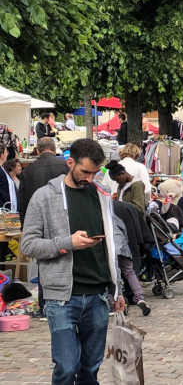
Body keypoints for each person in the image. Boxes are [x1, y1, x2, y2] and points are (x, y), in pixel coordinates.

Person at [21, 138, 125, 384]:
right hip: (61, 297)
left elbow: (113, 245)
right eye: (85, 171)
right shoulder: (44, 197)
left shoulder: (102, 195)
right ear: (70, 163)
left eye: (95, 173)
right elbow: (28, 245)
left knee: (90, 370)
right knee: (67, 368)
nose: (90, 178)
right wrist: (67, 243)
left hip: (98, 295)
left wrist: (117, 288)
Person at [18, 137, 69, 227]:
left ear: (38, 151)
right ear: (54, 149)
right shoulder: (65, 166)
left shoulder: (27, 171)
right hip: (62, 218)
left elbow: (22, 201)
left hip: (36, 219)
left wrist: (24, 225)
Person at [112, 201, 151, 316]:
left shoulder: (101, 217)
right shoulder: (116, 218)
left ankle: (117, 300)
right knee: (130, 272)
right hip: (124, 247)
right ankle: (139, 298)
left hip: (112, 249)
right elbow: (124, 230)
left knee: (113, 274)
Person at [0, 143, 16, 212]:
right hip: (3, 209)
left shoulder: (3, 168)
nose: (7, 154)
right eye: (6, 152)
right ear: (1, 155)